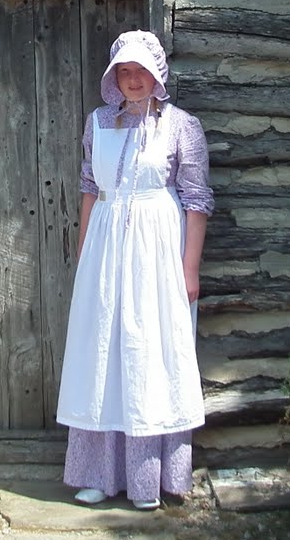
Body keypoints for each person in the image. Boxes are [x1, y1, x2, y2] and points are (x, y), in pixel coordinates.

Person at [55, 29, 212, 509]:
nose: (133, 79)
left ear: (157, 74)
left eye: (141, 70)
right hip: (106, 247)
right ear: (113, 78)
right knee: (102, 351)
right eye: (124, 71)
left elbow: (197, 200)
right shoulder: (98, 122)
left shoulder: (182, 125)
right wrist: (84, 253)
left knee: (149, 351)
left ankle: (149, 480)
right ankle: (99, 475)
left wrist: (190, 268)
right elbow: (89, 186)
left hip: (158, 249)